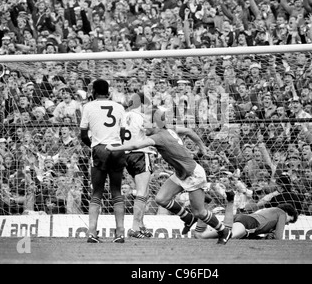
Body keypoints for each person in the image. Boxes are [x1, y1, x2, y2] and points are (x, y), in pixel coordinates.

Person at [106, 108, 233, 245]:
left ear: (155, 125)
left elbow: (136, 145)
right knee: (161, 199)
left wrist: (114, 148)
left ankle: (223, 230)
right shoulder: (169, 130)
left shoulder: (158, 137)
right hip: (180, 173)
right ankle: (188, 218)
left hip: (193, 175)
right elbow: (189, 131)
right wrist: (201, 146)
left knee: (200, 213)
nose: (142, 127)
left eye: (146, 123)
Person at [79, 79, 127, 243]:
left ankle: (92, 233)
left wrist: (93, 145)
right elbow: (123, 133)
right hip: (117, 149)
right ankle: (120, 233)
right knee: (117, 192)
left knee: (97, 193)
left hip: (99, 149)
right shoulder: (119, 107)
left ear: (93, 91)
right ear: (108, 92)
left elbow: (84, 135)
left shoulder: (88, 107)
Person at [193, 191, 299, 240]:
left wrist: (264, 238)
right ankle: (201, 235)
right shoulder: (281, 213)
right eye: (290, 220)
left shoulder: (271, 211)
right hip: (249, 222)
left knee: (220, 233)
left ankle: (206, 206)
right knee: (227, 236)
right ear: (287, 213)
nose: (288, 223)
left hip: (243, 219)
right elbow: (278, 237)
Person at [123, 92, 155, 238]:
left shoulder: (124, 115)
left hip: (125, 154)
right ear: (141, 104)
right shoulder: (141, 117)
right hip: (141, 153)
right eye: (146, 104)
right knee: (142, 191)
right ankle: (135, 227)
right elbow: (149, 131)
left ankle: (141, 225)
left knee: (145, 190)